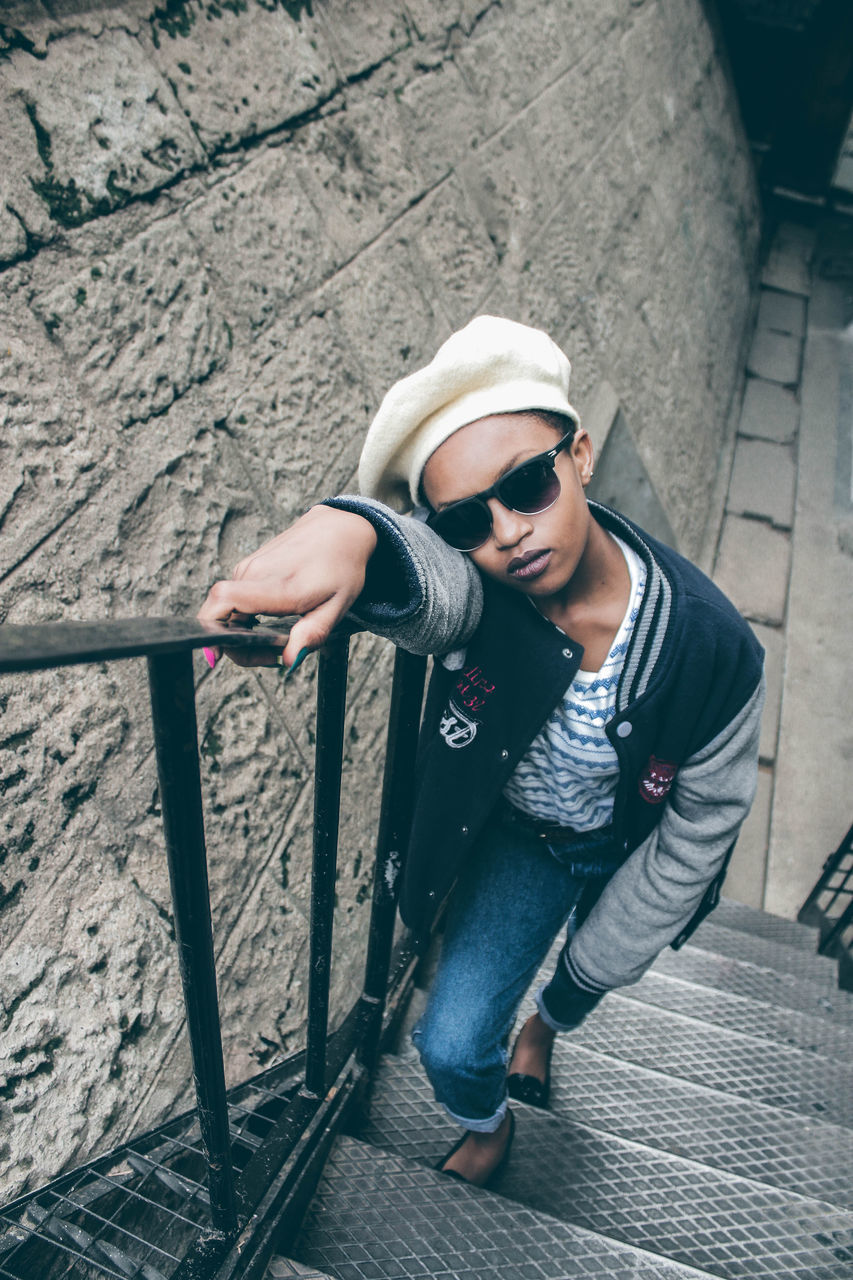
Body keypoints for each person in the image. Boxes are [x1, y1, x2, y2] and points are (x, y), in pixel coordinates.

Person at [199, 316, 764, 1187]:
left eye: (528, 485)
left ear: (577, 455)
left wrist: (582, 973)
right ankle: (490, 1124)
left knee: (582, 979)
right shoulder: (489, 592)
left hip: (628, 852)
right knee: (454, 1039)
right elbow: (422, 578)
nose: (506, 532)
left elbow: (703, 825)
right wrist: (351, 534)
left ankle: (541, 1030)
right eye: (467, 518)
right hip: (524, 845)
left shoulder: (713, 646)